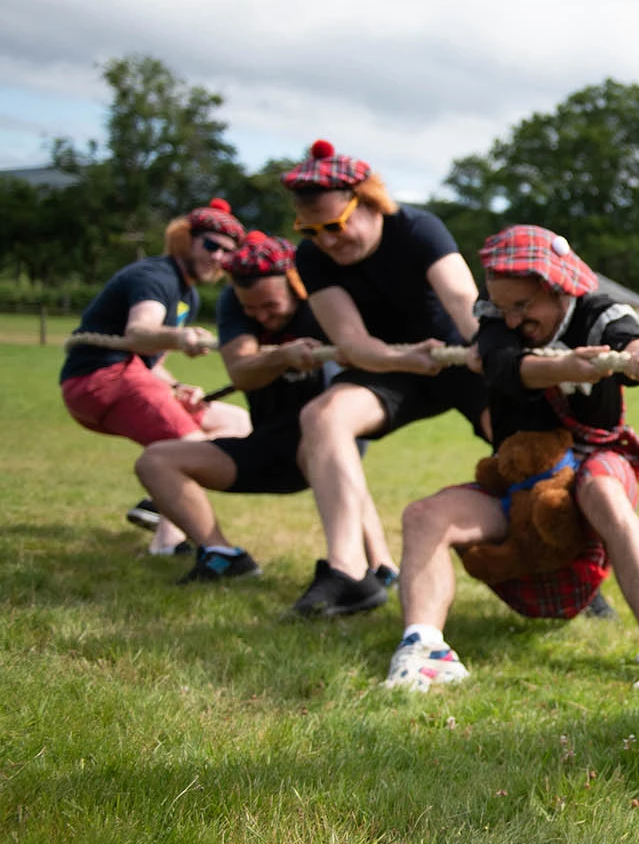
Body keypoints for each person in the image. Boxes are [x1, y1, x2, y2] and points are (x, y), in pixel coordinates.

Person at [383, 224, 639, 695]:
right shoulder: (493, 318)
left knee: (604, 493)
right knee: (424, 516)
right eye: (503, 306)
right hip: (521, 475)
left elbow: (628, 338)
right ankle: (424, 648)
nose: (510, 319)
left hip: (596, 457)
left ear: (557, 287)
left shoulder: (599, 310)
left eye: (522, 306)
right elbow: (507, 368)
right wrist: (564, 367)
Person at [281, 140, 489, 618]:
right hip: (390, 365)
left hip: (459, 356)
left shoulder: (418, 229)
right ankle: (349, 573)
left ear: (370, 201)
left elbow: (464, 302)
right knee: (323, 417)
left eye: (335, 225)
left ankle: (564, 568)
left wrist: (486, 352)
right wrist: (406, 360)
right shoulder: (311, 258)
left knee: (521, 438)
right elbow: (350, 340)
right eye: (312, 230)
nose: (328, 241)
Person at [132, 231, 391, 586]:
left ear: (296, 287)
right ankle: (223, 555)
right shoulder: (233, 303)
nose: (262, 317)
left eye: (271, 307)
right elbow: (241, 371)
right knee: (155, 461)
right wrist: (284, 356)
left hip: (321, 445)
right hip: (268, 447)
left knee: (329, 444)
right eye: (252, 309)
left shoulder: (325, 302)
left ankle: (377, 565)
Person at [60, 198, 251, 555]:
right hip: (100, 378)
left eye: (227, 252)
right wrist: (180, 337)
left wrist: (177, 387)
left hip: (129, 376)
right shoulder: (156, 277)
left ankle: (158, 513)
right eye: (211, 245)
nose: (218, 257)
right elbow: (139, 331)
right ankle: (198, 545)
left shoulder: (186, 295)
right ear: (185, 239)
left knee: (236, 422)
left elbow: (151, 365)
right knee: (194, 450)